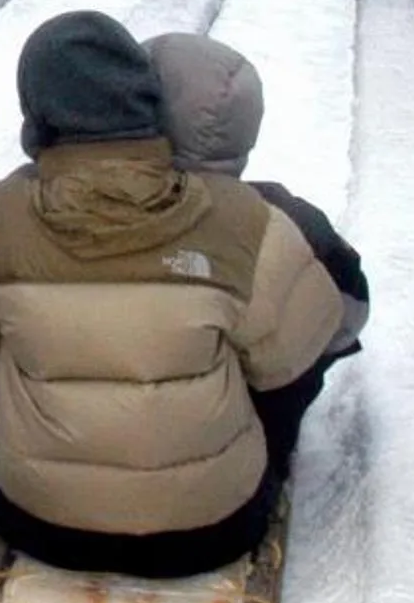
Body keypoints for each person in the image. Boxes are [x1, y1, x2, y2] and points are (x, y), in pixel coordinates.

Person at [0, 9, 343, 578]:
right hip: (214, 530)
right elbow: (288, 361)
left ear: (35, 116)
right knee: (266, 330)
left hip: (36, 523)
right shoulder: (249, 223)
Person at [145, 30, 368, 471]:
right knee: (296, 322)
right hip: (219, 492)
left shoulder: (59, 209)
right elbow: (349, 310)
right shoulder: (283, 221)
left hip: (48, 483)